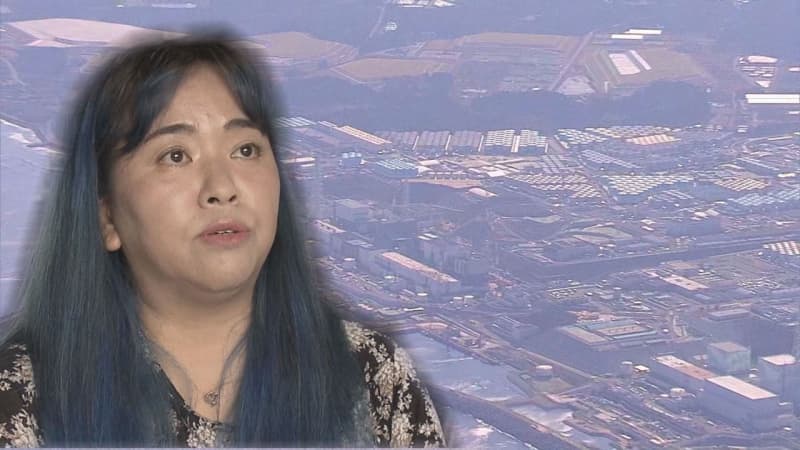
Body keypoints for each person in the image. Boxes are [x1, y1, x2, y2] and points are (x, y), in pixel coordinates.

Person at [0, 30, 447, 447]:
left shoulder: (370, 376)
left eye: (245, 150)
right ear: (106, 217)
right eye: (176, 156)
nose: (222, 187)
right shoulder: (22, 397)